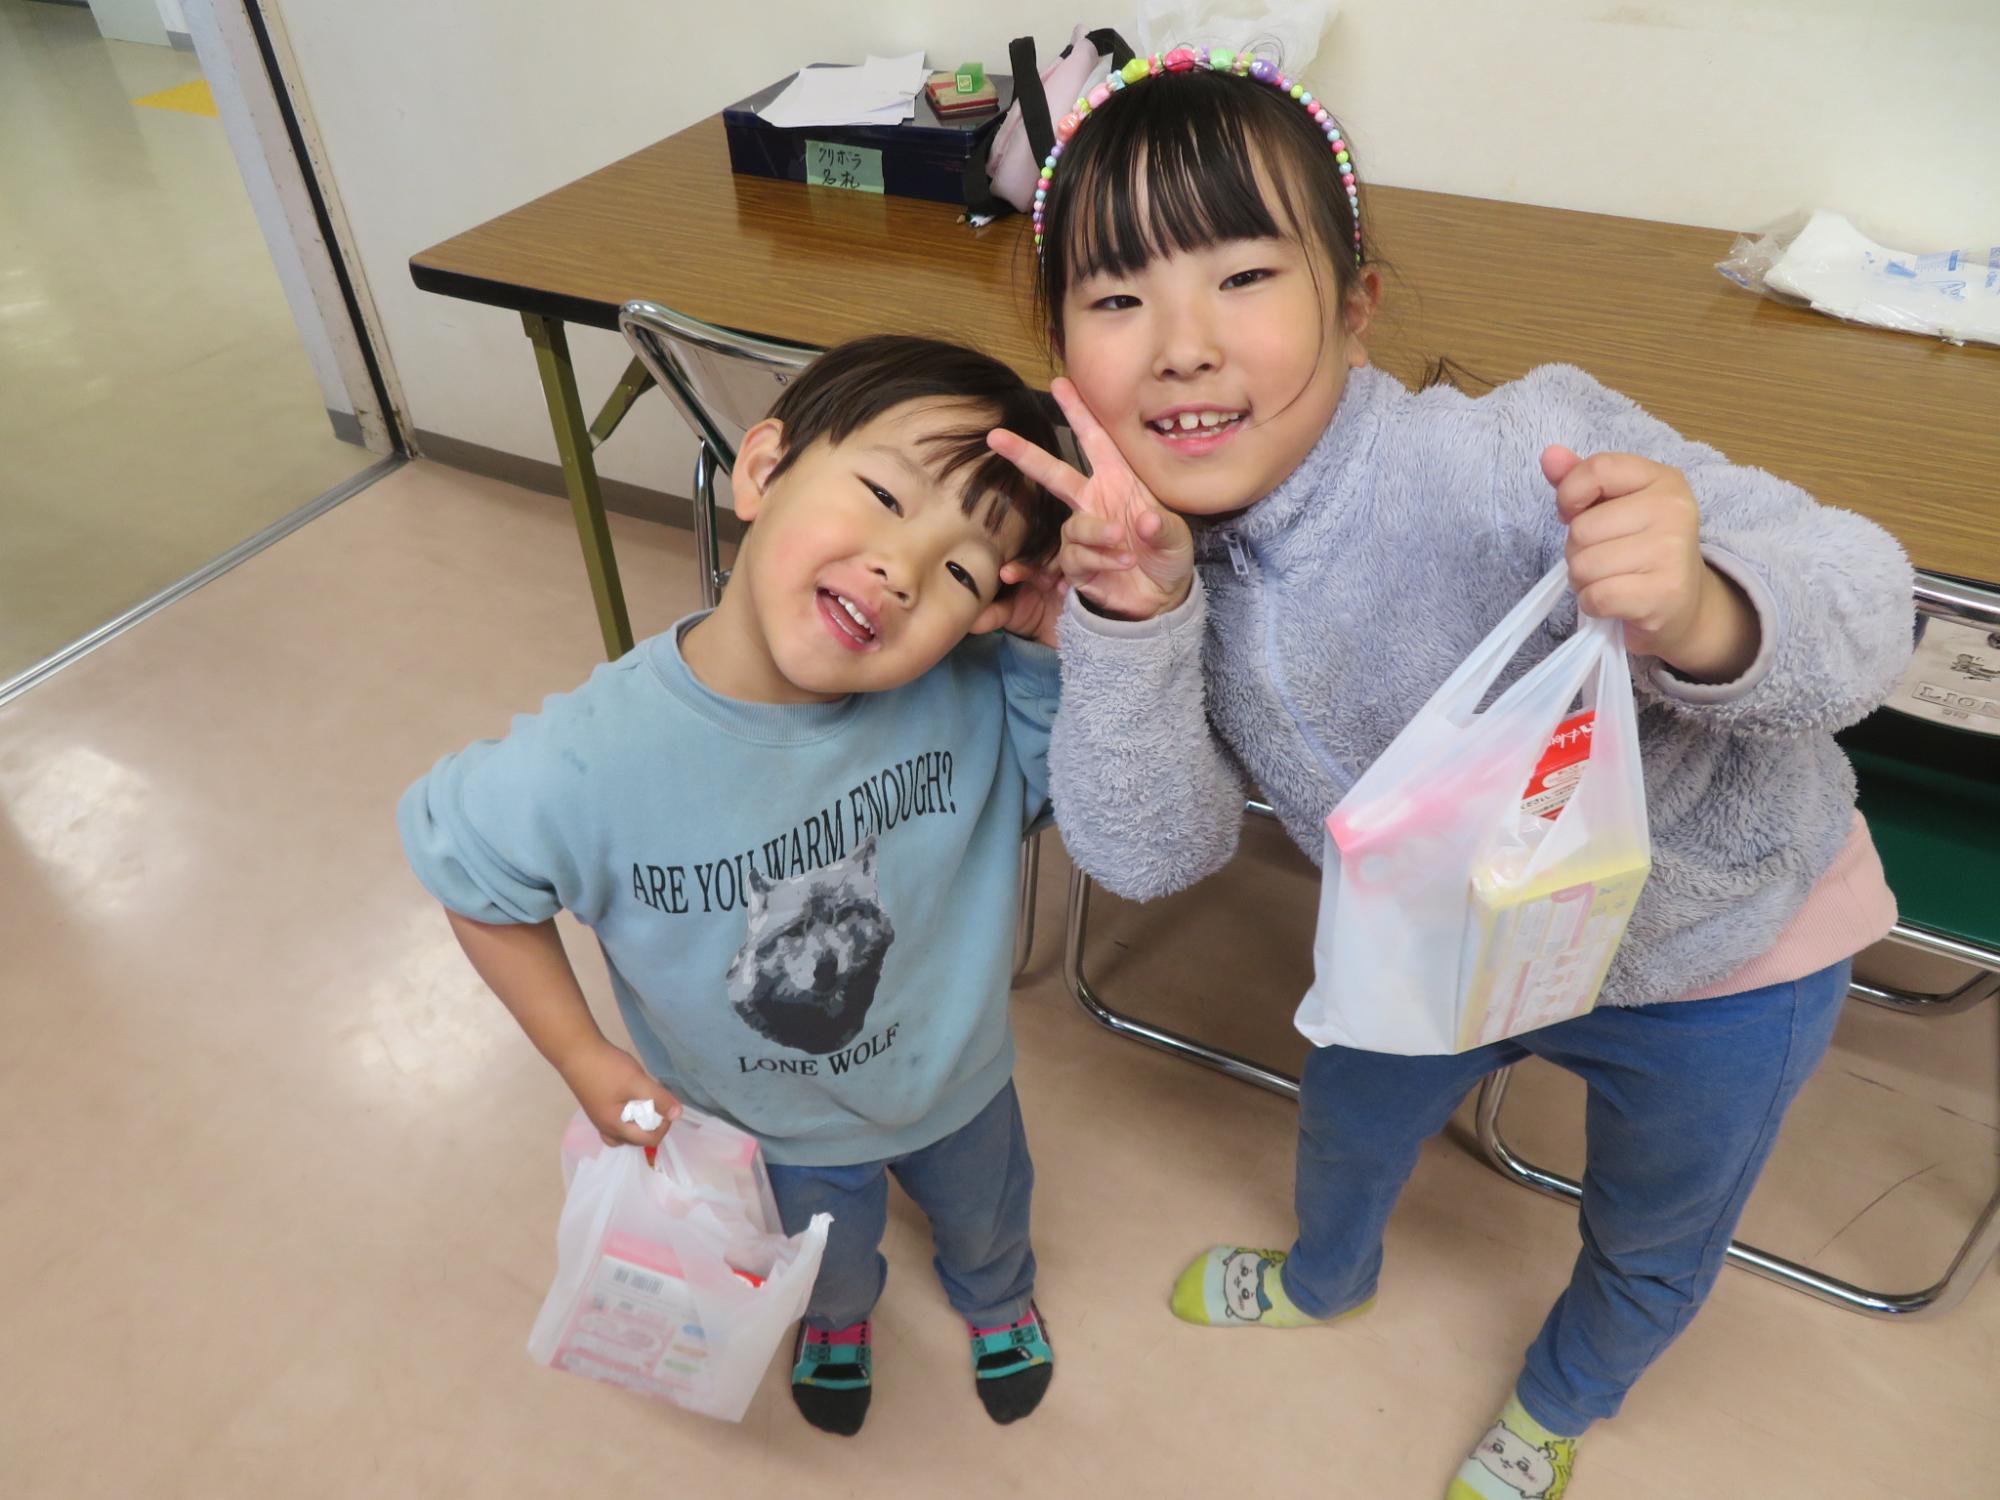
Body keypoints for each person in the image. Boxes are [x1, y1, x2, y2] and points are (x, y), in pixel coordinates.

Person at [988, 47, 1913, 1499]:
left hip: (1723, 958)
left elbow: (1865, 588)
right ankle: (1326, 1274)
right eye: (1116, 298)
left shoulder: (1506, 458)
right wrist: (1137, 618)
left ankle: (1564, 1397)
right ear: (1061, 348)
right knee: (1345, 1126)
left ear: (1355, 306)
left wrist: (1705, 604)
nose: (1179, 343)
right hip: (1443, 951)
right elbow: (1146, 850)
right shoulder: (1148, 559)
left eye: (1242, 276)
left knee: (1655, 1229)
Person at [401, 336, 1069, 1436]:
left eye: (959, 572)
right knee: (822, 1263)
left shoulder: (972, 690)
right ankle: (838, 1321)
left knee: (988, 1212)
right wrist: (584, 1056)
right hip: (766, 1128)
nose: (904, 568)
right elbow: (473, 877)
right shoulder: (593, 759)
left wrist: (1048, 650)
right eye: (882, 495)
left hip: (957, 1077)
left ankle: (998, 1298)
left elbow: (1063, 795)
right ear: (759, 468)